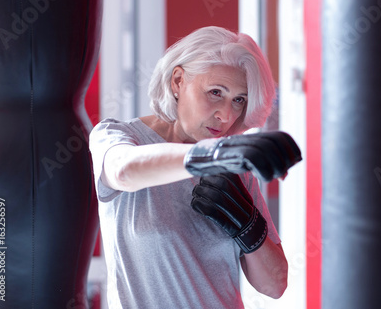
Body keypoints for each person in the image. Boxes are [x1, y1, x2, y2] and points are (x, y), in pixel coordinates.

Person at [89, 26, 301, 308]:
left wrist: (248, 225)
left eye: (239, 100)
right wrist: (209, 156)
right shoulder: (120, 137)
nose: (226, 115)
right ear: (178, 81)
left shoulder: (232, 167)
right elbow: (122, 171)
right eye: (215, 92)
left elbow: (274, 285)